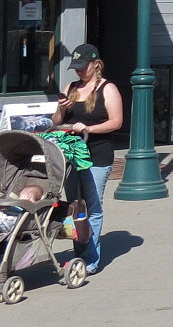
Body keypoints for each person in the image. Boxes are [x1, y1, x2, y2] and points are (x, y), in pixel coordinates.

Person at [53, 43, 123, 275]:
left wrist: (89, 129)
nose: (80, 72)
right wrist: (63, 110)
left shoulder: (107, 88)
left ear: (96, 64)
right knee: (75, 206)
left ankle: (90, 259)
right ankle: (79, 255)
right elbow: (55, 121)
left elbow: (116, 122)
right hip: (72, 155)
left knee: (92, 206)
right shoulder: (71, 87)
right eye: (76, 67)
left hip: (97, 155)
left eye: (84, 67)